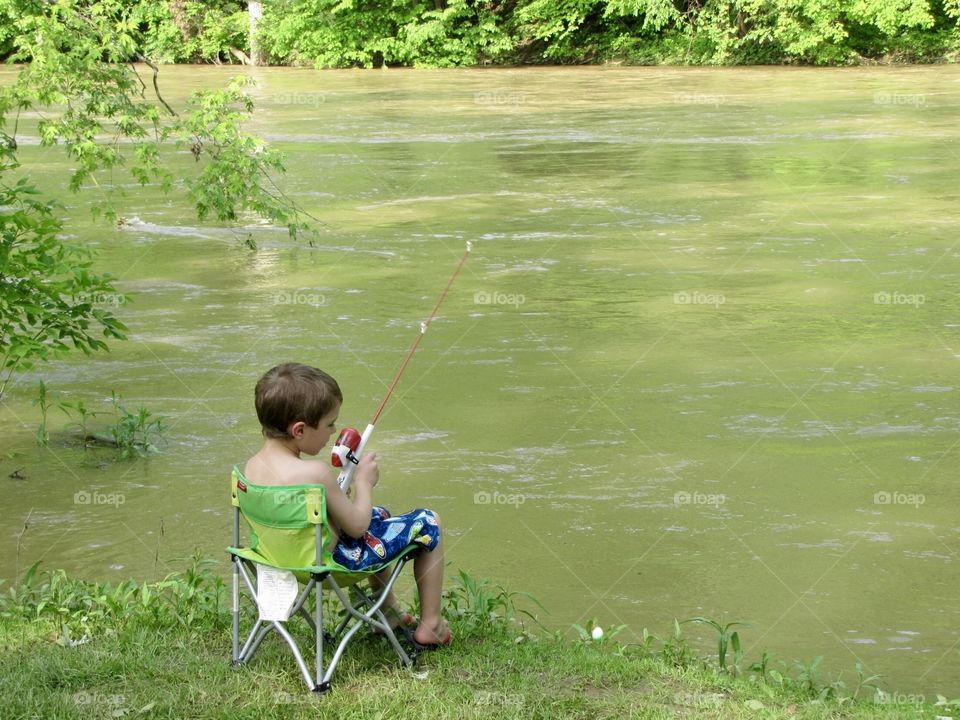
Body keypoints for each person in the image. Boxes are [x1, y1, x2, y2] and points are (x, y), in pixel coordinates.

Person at [240, 362, 451, 649]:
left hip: (281, 561)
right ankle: (432, 625)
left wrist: (338, 497)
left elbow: (305, 518)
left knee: (382, 515)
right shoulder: (315, 473)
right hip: (332, 564)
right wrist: (364, 482)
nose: (333, 432)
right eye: (329, 424)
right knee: (429, 521)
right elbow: (358, 526)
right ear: (299, 430)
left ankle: (388, 613)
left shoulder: (251, 469)